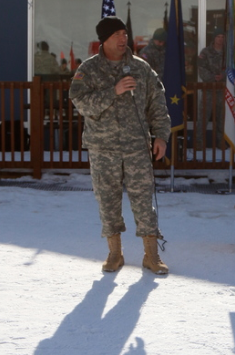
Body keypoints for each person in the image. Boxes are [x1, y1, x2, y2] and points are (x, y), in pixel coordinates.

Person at [70, 16, 171, 275]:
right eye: (116, 34)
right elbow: (80, 103)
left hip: (137, 146)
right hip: (103, 148)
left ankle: (151, 255)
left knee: (143, 200)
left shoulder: (141, 68)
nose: (123, 38)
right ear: (104, 40)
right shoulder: (89, 70)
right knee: (108, 201)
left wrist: (161, 136)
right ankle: (115, 253)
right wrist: (112, 92)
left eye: (124, 33)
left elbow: (157, 103)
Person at [196, 30, 226, 148]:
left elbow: (232, 69)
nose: (220, 39)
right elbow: (201, 68)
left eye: (222, 37)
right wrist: (213, 78)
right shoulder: (205, 52)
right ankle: (199, 142)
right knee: (203, 117)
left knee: (222, 118)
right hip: (208, 90)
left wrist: (223, 76)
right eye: (218, 36)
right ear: (213, 38)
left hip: (223, 91)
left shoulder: (228, 53)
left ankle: (221, 141)